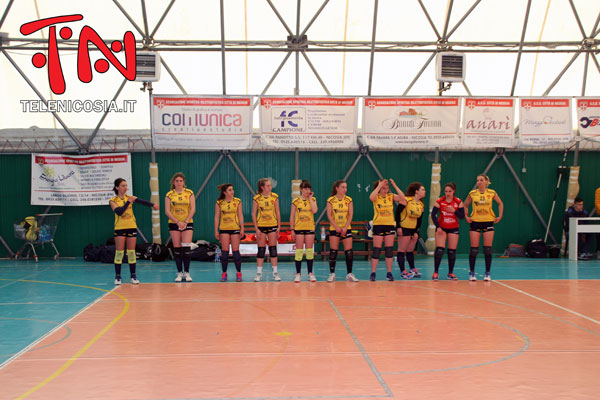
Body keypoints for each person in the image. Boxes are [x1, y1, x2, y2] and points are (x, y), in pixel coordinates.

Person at [109, 178, 159, 285]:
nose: (125, 188)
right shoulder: (113, 201)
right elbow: (119, 212)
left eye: (126, 185)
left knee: (131, 252)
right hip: (120, 228)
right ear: (117, 187)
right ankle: (118, 277)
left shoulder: (130, 197)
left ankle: (133, 276)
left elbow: (142, 201)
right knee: (119, 253)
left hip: (131, 226)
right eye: (122, 185)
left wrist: (152, 205)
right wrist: (128, 202)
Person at [464, 174, 503, 281]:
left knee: (487, 249)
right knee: (474, 250)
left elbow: (500, 203)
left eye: (481, 180)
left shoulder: (491, 193)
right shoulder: (472, 193)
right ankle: (472, 273)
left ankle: (487, 273)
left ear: (486, 181)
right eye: (477, 180)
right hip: (475, 221)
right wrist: (466, 216)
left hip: (488, 221)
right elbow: (465, 205)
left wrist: (500, 216)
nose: (479, 182)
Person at [369, 179, 404, 281]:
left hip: (389, 225)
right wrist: (379, 185)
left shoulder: (391, 196)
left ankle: (389, 273)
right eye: (383, 188)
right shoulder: (376, 197)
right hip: (378, 225)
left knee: (389, 250)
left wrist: (395, 186)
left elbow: (402, 197)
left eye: (387, 188)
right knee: (377, 250)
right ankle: (373, 273)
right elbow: (371, 197)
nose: (385, 190)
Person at [165, 172, 195, 282]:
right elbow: (167, 211)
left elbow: (192, 209)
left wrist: (185, 222)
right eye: (177, 181)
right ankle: (179, 273)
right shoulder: (169, 195)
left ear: (184, 182)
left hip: (187, 223)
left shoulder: (190, 193)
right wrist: (178, 222)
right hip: (174, 223)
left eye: (181, 181)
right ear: (173, 182)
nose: (179, 183)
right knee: (177, 250)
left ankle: (187, 273)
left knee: (186, 249)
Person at [430, 182, 465, 280]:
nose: (447, 193)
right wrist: (438, 227)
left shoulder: (458, 202)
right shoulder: (440, 201)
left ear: (453, 191)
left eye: (450, 191)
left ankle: (450, 273)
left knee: (451, 251)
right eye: (446, 191)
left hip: (453, 228)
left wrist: (453, 210)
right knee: (440, 250)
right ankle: (435, 272)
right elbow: (433, 215)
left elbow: (462, 216)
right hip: (442, 228)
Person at [326, 180, 358, 282]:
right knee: (333, 252)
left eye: (346, 187)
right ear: (337, 188)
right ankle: (332, 274)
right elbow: (329, 215)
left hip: (346, 228)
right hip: (334, 228)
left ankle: (349, 274)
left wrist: (345, 227)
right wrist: (336, 226)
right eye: (343, 187)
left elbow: (350, 215)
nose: (345, 189)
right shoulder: (331, 200)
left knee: (349, 252)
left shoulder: (349, 200)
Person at [394, 181, 426, 280]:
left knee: (410, 250)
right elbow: (397, 213)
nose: (424, 191)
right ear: (416, 191)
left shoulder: (420, 204)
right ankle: (403, 272)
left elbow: (419, 219)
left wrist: (417, 232)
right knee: (401, 250)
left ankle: (412, 269)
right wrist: (398, 227)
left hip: (413, 230)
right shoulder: (406, 200)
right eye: (423, 190)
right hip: (404, 228)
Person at [252, 178, 281, 282]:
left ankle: (275, 273)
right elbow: (253, 214)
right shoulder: (257, 198)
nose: (270, 187)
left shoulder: (275, 197)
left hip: (272, 225)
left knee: (273, 249)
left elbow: (277, 212)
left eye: (270, 185)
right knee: (261, 250)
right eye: (268, 186)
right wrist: (256, 229)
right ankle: (259, 274)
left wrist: (279, 226)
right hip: (261, 227)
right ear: (262, 187)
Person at [215, 184, 245, 281]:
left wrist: (242, 228)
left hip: (235, 228)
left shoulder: (237, 201)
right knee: (225, 253)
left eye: (232, 189)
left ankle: (239, 273)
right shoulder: (219, 203)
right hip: (224, 229)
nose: (232, 191)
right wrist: (216, 230)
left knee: (236, 252)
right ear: (224, 192)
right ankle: (224, 273)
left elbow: (240, 215)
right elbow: (217, 217)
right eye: (230, 190)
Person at [290, 180, 318, 282]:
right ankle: (298, 274)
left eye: (309, 188)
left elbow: (315, 211)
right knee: (299, 251)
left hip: (310, 227)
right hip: (299, 228)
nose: (307, 190)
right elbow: (292, 216)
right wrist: (292, 229)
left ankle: (310, 273)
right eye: (305, 189)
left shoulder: (313, 199)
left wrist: (310, 198)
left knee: (310, 251)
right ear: (301, 189)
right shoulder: (296, 201)